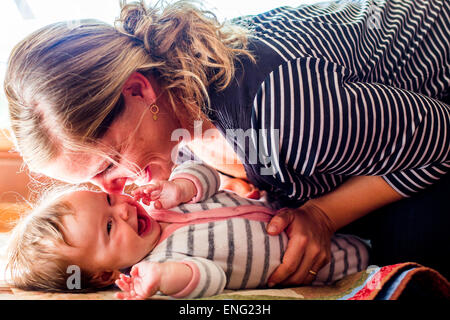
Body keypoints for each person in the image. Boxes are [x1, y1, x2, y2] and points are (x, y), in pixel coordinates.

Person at [4, 0, 449, 286]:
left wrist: (321, 213)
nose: (117, 192)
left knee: (410, 258)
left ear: (138, 90)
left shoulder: (280, 112)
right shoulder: (174, 101)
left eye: (107, 167)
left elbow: (441, 138)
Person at [5, 161, 369, 299]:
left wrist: (181, 187)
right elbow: (210, 279)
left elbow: (207, 173)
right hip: (317, 261)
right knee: (373, 254)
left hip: (304, 204)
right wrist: (162, 277)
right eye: (110, 226)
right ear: (104, 274)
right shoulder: (160, 265)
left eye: (108, 201)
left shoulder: (159, 202)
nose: (124, 209)